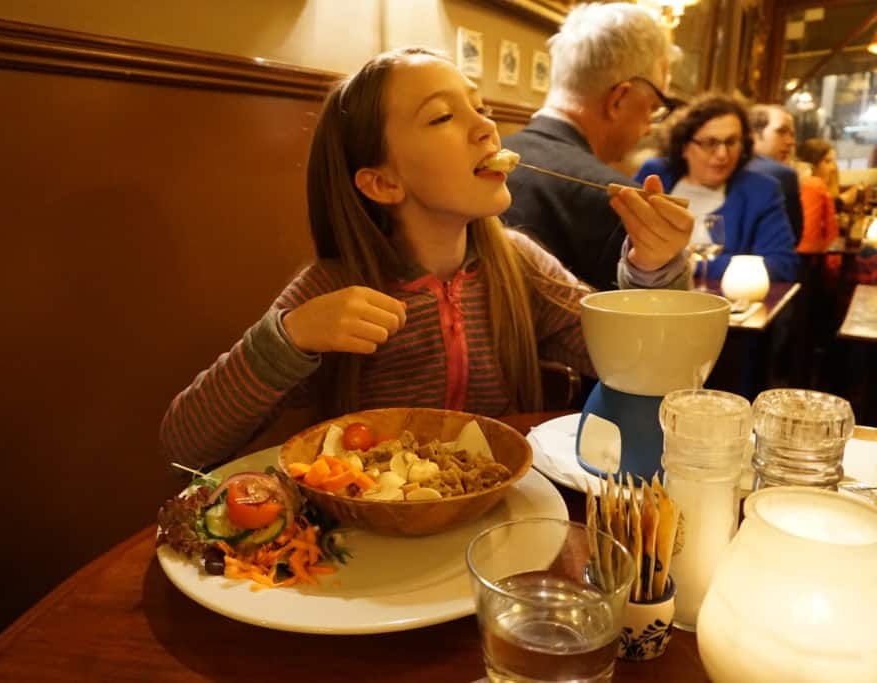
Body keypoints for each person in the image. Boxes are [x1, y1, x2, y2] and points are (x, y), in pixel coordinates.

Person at [160, 47, 692, 469]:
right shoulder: (334, 288)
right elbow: (186, 442)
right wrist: (290, 337)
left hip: (498, 527)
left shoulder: (517, 263)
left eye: (479, 108)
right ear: (383, 181)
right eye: (442, 117)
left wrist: (652, 269)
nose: (487, 127)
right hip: (373, 539)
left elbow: (639, 366)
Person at [500, 2, 683, 291]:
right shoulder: (620, 202)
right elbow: (646, 329)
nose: (650, 126)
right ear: (618, 100)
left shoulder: (480, 163)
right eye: (653, 108)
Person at [636, 94, 799, 282]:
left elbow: (782, 265)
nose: (722, 154)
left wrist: (694, 266)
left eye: (731, 142)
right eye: (710, 143)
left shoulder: (761, 190)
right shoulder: (656, 175)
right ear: (684, 146)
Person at [747, 104, 803, 244]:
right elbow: (792, 238)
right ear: (753, 134)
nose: (791, 142)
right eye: (781, 131)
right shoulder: (781, 174)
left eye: (791, 134)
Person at [796, 138, 840, 254]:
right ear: (812, 163)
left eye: (833, 162)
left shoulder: (808, 185)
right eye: (827, 161)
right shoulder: (813, 186)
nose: (833, 168)